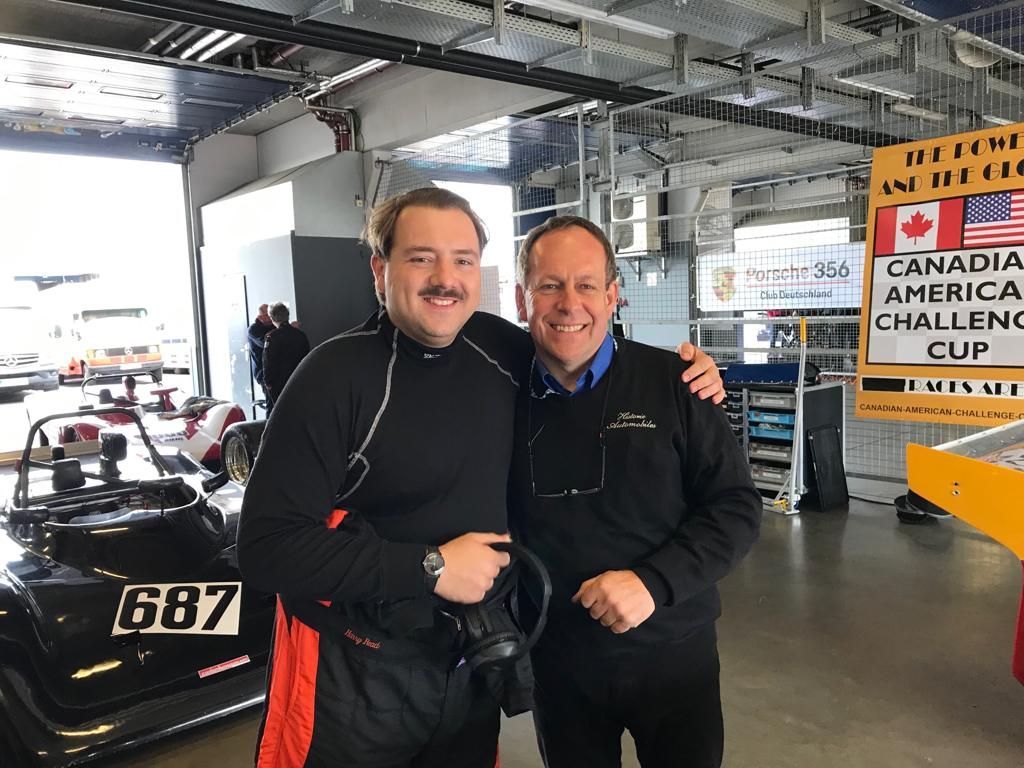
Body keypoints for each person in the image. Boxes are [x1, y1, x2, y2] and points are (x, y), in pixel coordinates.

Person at [236, 188, 725, 768]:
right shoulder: (331, 379)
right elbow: (266, 549)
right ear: (380, 270)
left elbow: (580, 348)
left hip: (469, 664)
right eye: (421, 257)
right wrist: (430, 567)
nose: (445, 279)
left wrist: (683, 374)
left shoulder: (503, 351)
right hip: (354, 674)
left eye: (463, 260)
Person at [510, 215, 762, 768]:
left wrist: (654, 582)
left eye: (586, 284)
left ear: (612, 296)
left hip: (674, 657)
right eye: (549, 285)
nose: (569, 304)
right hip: (559, 664)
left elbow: (736, 507)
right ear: (522, 299)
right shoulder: (499, 392)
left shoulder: (677, 383)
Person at [261, 302, 310, 413]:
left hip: (280, 384)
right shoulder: (301, 335)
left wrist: (268, 383)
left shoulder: (271, 337)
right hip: (298, 381)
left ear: (272, 318)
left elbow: (268, 363)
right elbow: (307, 359)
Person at [246, 303, 274, 404]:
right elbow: (265, 343)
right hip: (263, 372)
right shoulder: (253, 329)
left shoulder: (274, 326)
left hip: (276, 369)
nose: (271, 317)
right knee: (272, 403)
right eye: (268, 315)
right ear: (260, 317)